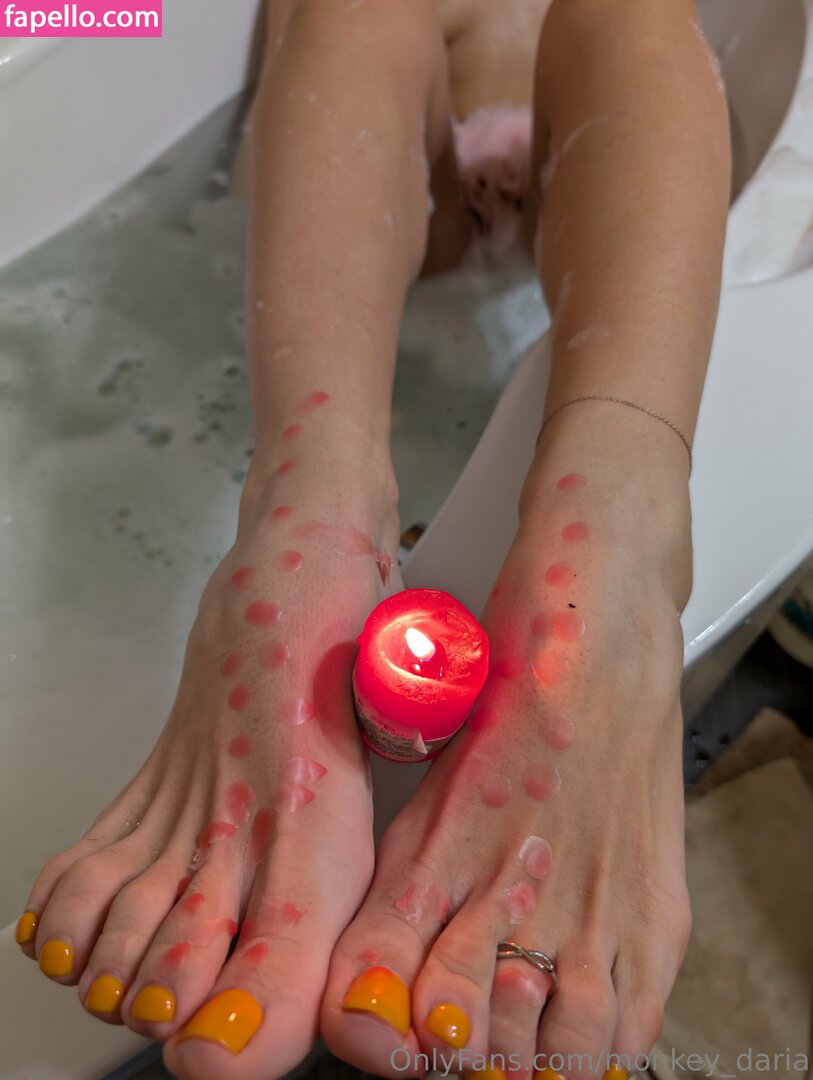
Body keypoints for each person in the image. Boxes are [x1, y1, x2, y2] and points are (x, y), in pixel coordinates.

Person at [14, 1, 731, 1078]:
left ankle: (582, 539)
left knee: (614, 17)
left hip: (539, 138)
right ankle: (341, 515)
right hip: (438, 141)